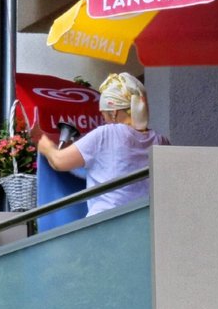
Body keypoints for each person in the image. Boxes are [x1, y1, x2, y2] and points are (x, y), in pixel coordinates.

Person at [32, 72, 168, 216]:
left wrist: (44, 143)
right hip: (146, 220)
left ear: (114, 112)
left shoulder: (107, 133)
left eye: (104, 114)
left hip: (105, 221)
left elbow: (59, 161)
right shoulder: (161, 141)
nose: (104, 120)